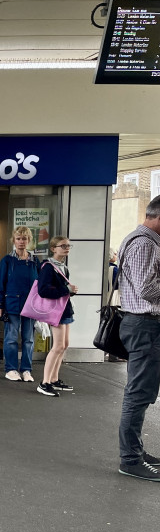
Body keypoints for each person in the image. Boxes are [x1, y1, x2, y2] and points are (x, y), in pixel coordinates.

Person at [116, 195, 160, 481]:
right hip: (145, 325)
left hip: (145, 325)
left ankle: (136, 451)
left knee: (141, 393)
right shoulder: (144, 243)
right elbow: (148, 289)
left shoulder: (144, 241)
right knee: (138, 394)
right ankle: (130, 458)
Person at [0, 226, 39, 382]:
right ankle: (11, 369)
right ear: (14, 240)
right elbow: (1, 283)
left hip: (30, 305)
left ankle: (26, 369)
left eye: (24, 238)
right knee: (11, 338)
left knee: (29, 339)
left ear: (29, 240)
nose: (21, 241)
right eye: (18, 238)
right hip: (12, 303)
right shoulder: (7, 260)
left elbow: (39, 285)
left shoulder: (34, 260)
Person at [35, 236, 77, 397]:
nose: (66, 248)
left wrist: (68, 291)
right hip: (56, 311)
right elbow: (43, 290)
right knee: (58, 346)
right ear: (53, 248)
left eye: (68, 246)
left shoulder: (63, 267)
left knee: (64, 344)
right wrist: (67, 290)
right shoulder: (48, 267)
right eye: (63, 246)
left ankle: (54, 379)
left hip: (64, 309)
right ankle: (44, 382)